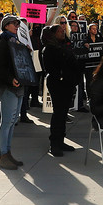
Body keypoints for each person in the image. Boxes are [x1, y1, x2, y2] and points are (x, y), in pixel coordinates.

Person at [0, 14, 32, 170]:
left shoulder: (15, 42)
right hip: (9, 87)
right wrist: (10, 80)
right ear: (6, 25)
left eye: (17, 23)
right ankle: (2, 154)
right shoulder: (2, 43)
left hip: (18, 86)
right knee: (7, 122)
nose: (17, 25)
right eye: (14, 23)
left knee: (12, 122)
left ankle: (7, 153)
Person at [39, 20, 79, 157]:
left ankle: (61, 140)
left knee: (63, 114)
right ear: (53, 34)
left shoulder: (65, 45)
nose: (63, 32)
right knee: (58, 113)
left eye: (63, 31)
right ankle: (54, 143)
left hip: (67, 83)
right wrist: (63, 74)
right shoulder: (49, 49)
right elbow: (51, 68)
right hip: (58, 83)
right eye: (60, 31)